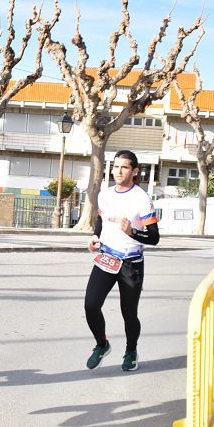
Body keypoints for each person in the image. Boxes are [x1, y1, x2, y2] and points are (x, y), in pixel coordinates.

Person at [84, 150, 160, 372]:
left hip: (131, 263)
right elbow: (100, 220)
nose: (118, 171)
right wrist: (95, 236)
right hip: (106, 258)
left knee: (129, 313)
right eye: (115, 166)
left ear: (134, 171)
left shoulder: (142, 198)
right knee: (91, 305)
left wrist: (132, 232)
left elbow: (154, 237)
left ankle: (131, 350)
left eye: (124, 167)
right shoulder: (105, 195)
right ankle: (102, 344)